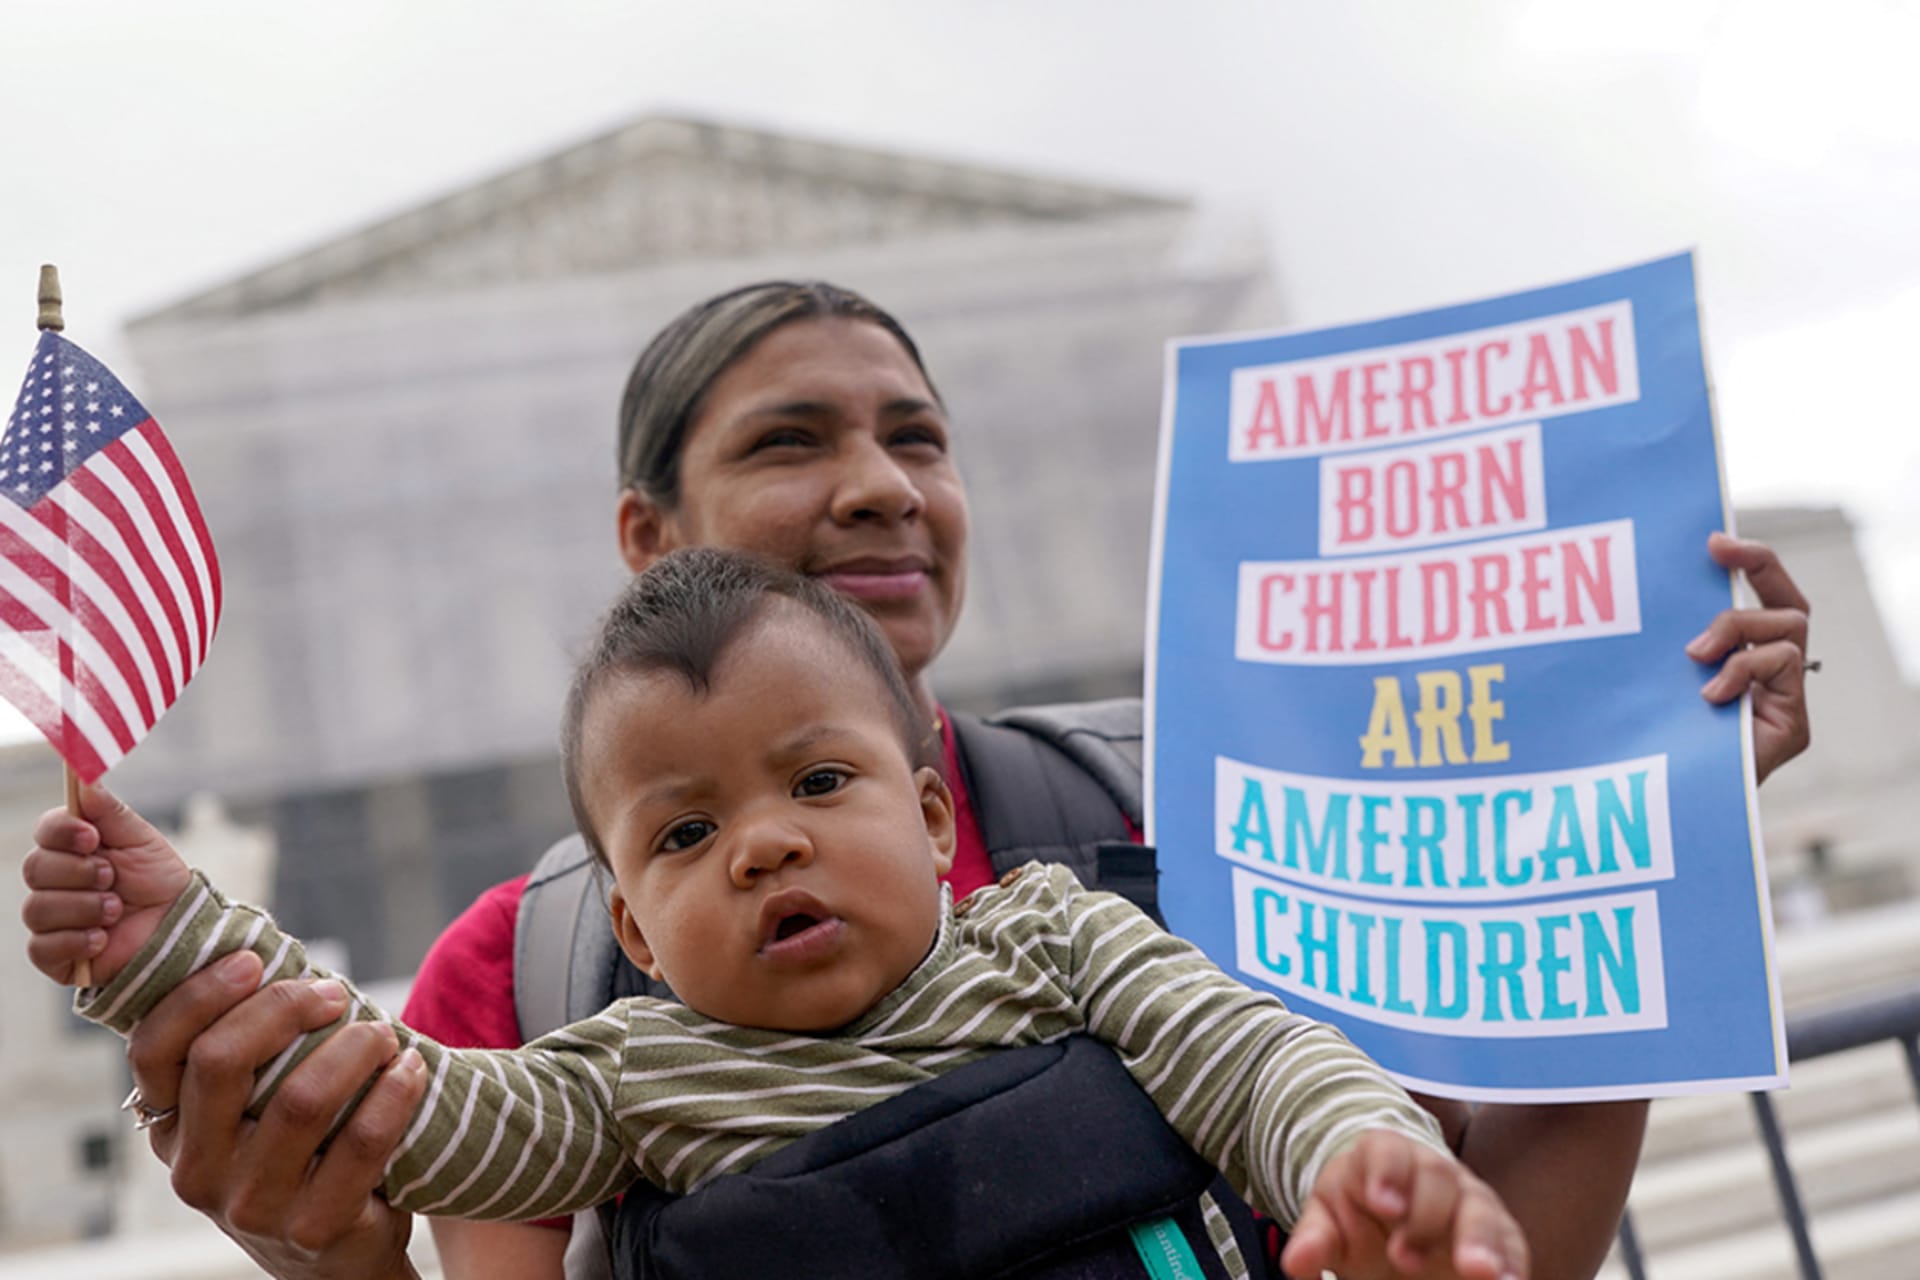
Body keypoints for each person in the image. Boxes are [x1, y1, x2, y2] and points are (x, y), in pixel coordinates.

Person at [79, 280, 1813, 1280]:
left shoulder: (1169, 840)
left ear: (923, 821)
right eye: (790, 442)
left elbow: (1420, 1179)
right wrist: (192, 975)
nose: (885, 486)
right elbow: (406, 1099)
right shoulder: (544, 1005)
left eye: (917, 436)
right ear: (648, 541)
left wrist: (1645, 796)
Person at [27, 548, 1532, 1280]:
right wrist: (174, 943)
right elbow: (396, 1104)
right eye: (686, 831)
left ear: (936, 820)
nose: (761, 848)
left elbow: (1257, 1058)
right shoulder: (624, 1076)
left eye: (817, 780)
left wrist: (1369, 1162)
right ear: (629, 916)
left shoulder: (1060, 938)